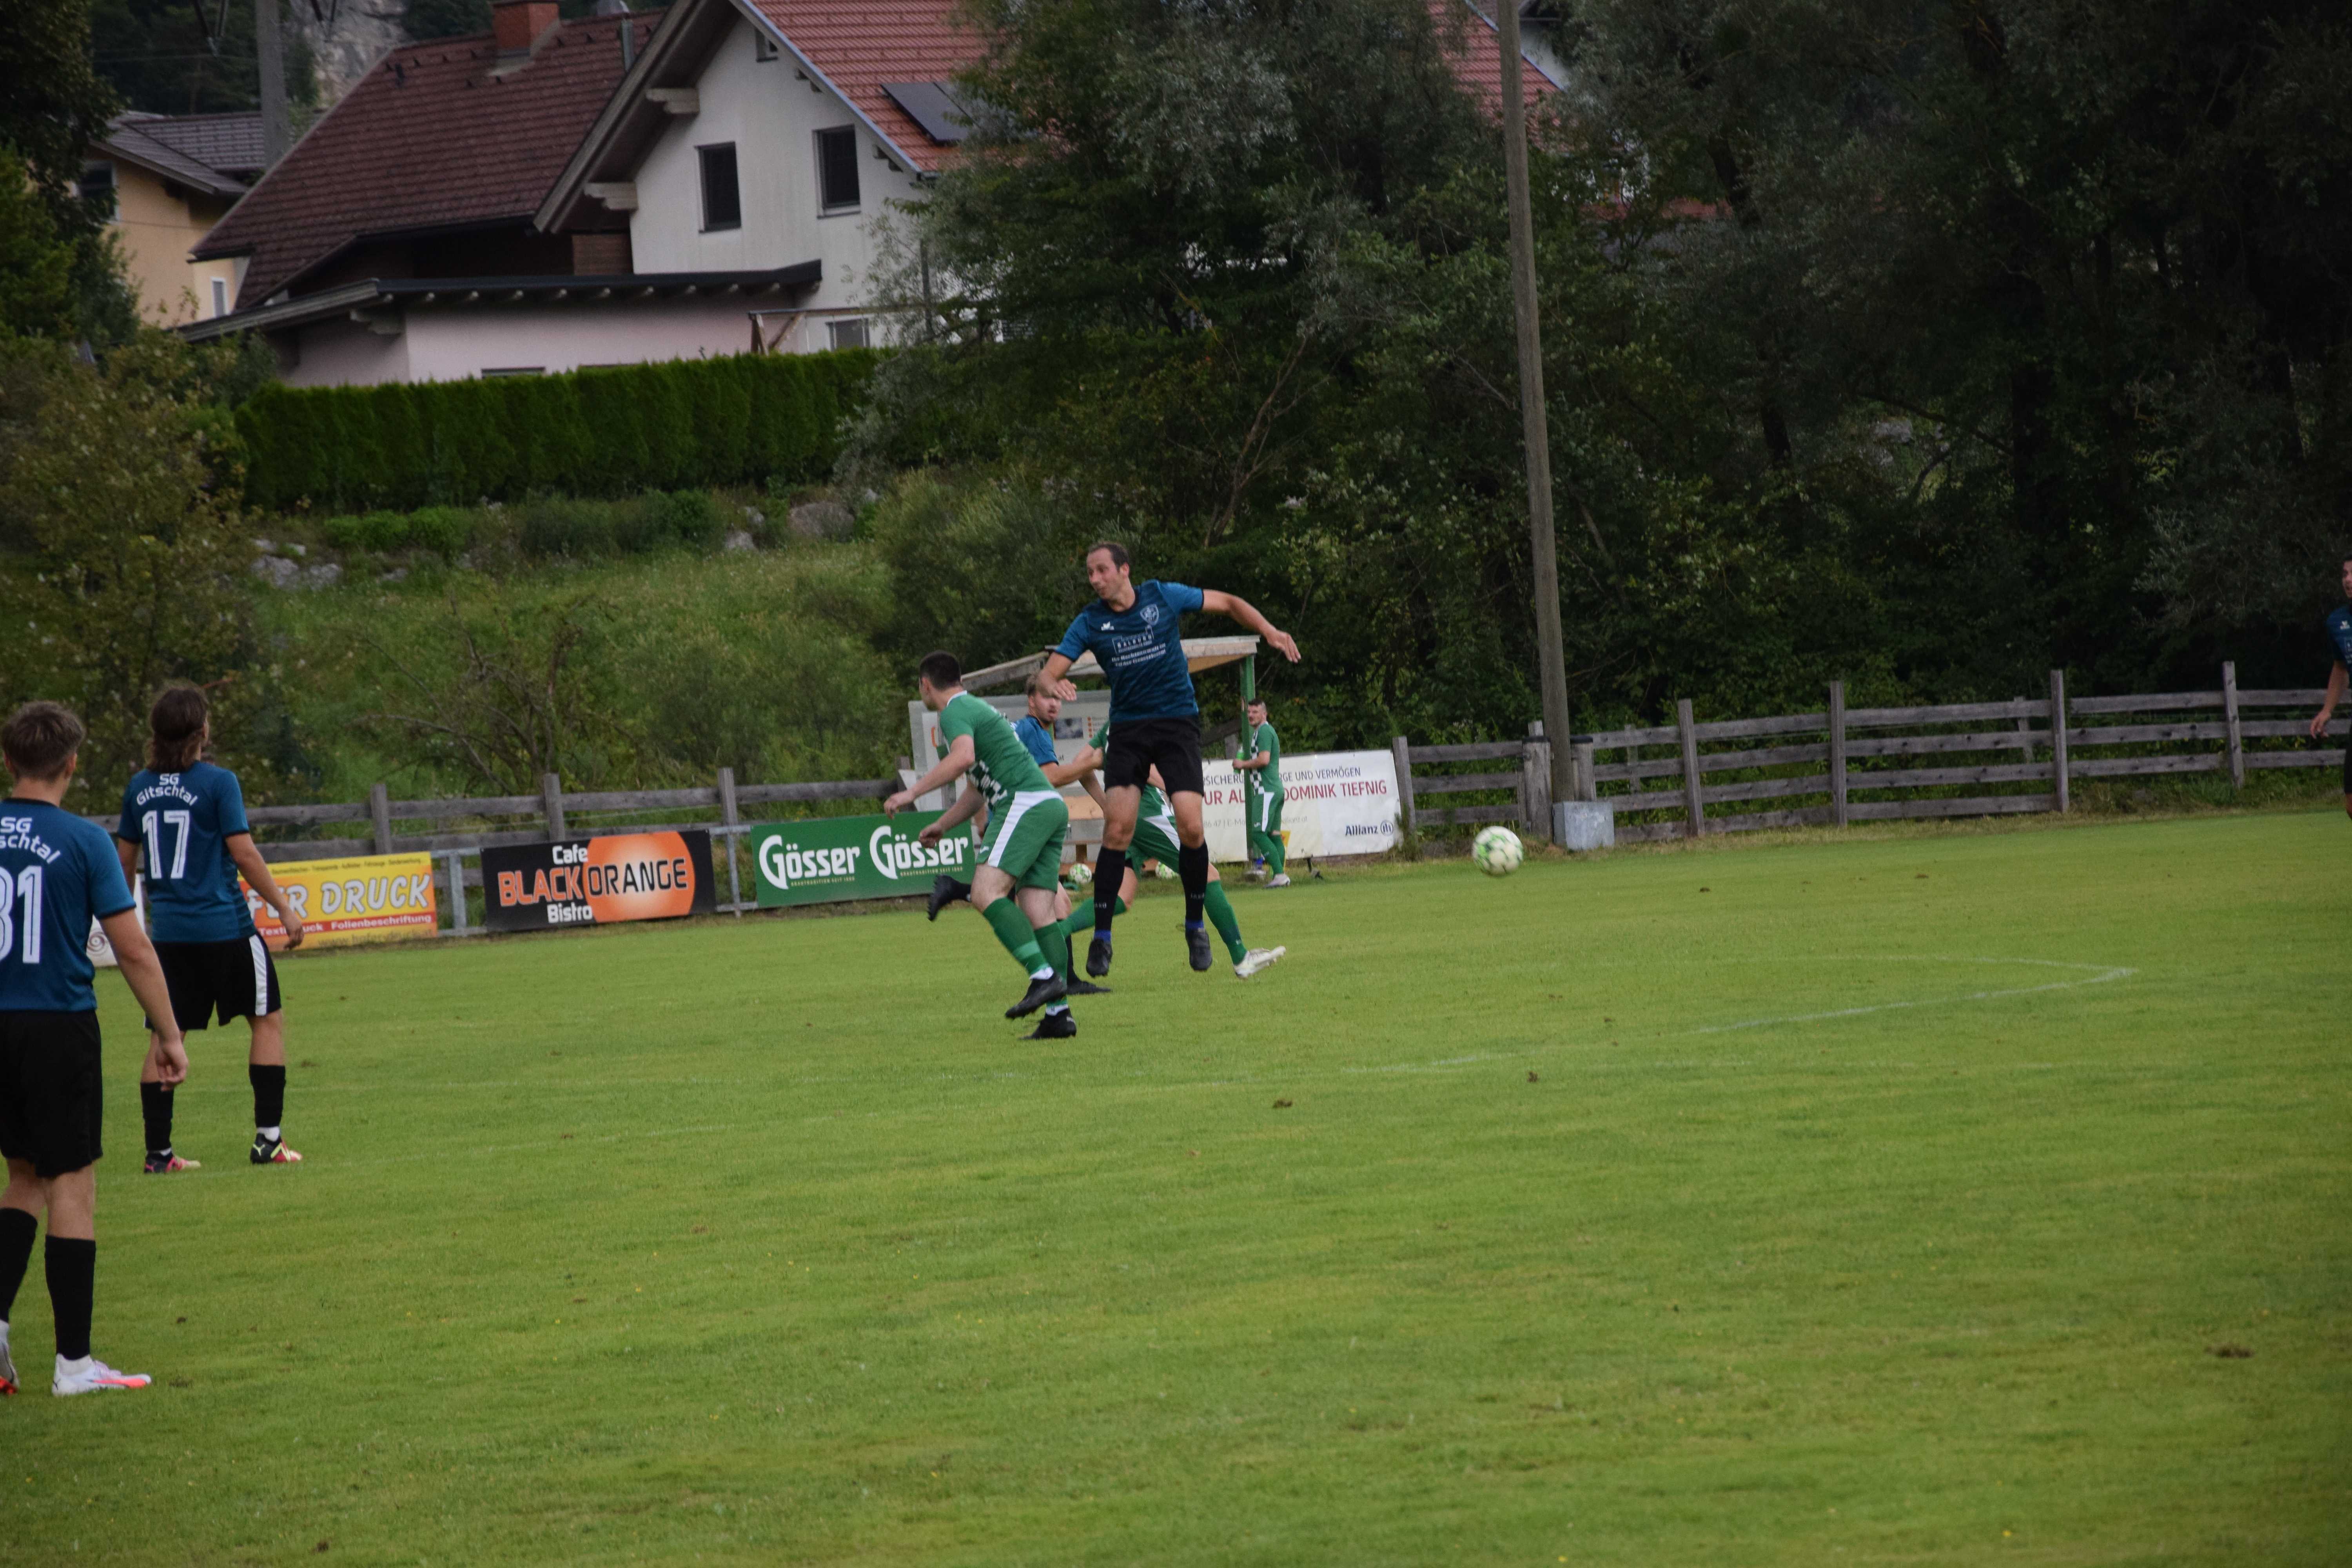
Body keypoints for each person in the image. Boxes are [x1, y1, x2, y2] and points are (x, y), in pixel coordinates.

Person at [0, 701, 189, 1397]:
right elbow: (132, 948)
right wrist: (168, 1034)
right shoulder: (83, 841)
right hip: (57, 1023)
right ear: (72, 764)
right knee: (72, 1182)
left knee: (24, 1173)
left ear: (8, 761)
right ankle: (75, 1365)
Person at [1042, 542, 1299, 976]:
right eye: (1090, 573)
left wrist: (1269, 630)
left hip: (1177, 724)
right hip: (1128, 730)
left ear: (1125, 569)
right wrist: (1053, 683)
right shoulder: (1090, 621)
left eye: (1102, 570)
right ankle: (1101, 937)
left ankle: (1195, 926)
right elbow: (1050, 672)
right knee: (1116, 831)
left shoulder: (1162, 596)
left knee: (1192, 828)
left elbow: (1228, 602)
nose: (1095, 579)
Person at [114, 687, 306, 1172]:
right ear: (202, 730)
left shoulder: (139, 788)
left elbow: (124, 862)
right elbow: (244, 853)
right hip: (226, 927)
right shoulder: (220, 782)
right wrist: (284, 907)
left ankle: (158, 1154)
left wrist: (122, 921)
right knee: (267, 1019)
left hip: (169, 935)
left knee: (166, 1034)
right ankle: (269, 1141)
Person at [886, 652, 1079, 1039]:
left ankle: (1043, 977)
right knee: (1039, 912)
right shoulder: (977, 709)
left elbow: (963, 758)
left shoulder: (954, 712)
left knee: (985, 892)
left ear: (926, 684)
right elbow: (977, 788)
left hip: (1024, 804)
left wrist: (911, 793)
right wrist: (943, 824)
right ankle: (1059, 1015)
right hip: (1049, 806)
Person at [927, 673, 1112, 996]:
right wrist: (1093, 761)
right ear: (1031, 701)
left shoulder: (1016, 731)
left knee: (1054, 903)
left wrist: (982, 820)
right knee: (1011, 898)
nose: (1054, 705)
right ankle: (1056, 979)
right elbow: (1050, 778)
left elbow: (978, 780)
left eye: (1058, 699)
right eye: (1047, 698)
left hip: (1012, 819)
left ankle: (1062, 983)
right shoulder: (1034, 731)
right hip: (1022, 822)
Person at [1054, 766, 1285, 979]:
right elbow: (1142, 765)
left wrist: (1106, 805)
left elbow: (1084, 767)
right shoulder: (1140, 734)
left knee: (1121, 898)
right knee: (1207, 876)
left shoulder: (1107, 737)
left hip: (1126, 819)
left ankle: (1053, 934)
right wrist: (1174, 789)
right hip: (1150, 815)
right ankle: (1241, 957)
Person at [2313, 552, 2352, 820]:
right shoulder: (2337, 622)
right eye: (2345, 574)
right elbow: (2340, 668)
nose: (2348, 580)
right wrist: (2327, 710)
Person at [1234, 696, 1289, 887]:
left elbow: (1264, 760)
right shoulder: (1263, 731)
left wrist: (1242, 764)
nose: (1251, 715)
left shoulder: (1264, 731)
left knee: (1258, 833)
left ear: (1264, 714)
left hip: (1266, 790)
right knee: (1274, 835)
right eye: (1249, 712)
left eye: (1255, 712)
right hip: (1275, 788)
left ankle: (1280, 875)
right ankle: (1280, 876)